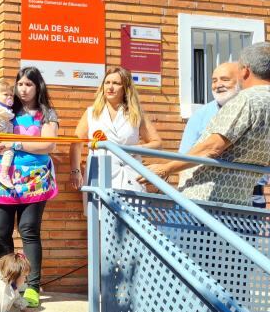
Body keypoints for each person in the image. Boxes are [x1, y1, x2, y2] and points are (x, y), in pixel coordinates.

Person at [143, 42, 270, 206]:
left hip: (206, 200)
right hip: (240, 201)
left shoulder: (246, 100)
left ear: (245, 71)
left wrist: (165, 168)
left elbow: (213, 147)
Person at [0, 66, 58, 310]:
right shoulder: (5, 109)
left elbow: (48, 144)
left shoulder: (47, 113)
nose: (23, 89)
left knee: (28, 230)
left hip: (34, 180)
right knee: (0, 231)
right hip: (2, 178)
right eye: (20, 84)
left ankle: (33, 287)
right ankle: (5, 283)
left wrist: (15, 143)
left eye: (28, 84)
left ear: (38, 87)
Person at [177, 62, 266, 206]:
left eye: (225, 79)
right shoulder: (201, 114)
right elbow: (184, 154)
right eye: (214, 80)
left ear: (241, 80)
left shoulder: (258, 109)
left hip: (250, 193)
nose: (218, 85)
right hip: (204, 192)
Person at [69, 67, 162, 192]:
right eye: (107, 83)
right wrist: (75, 170)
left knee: (130, 211)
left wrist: (135, 149)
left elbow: (157, 142)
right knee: (98, 210)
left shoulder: (136, 114)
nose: (110, 87)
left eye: (116, 83)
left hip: (130, 175)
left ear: (125, 88)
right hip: (99, 175)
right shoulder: (91, 112)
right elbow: (76, 143)